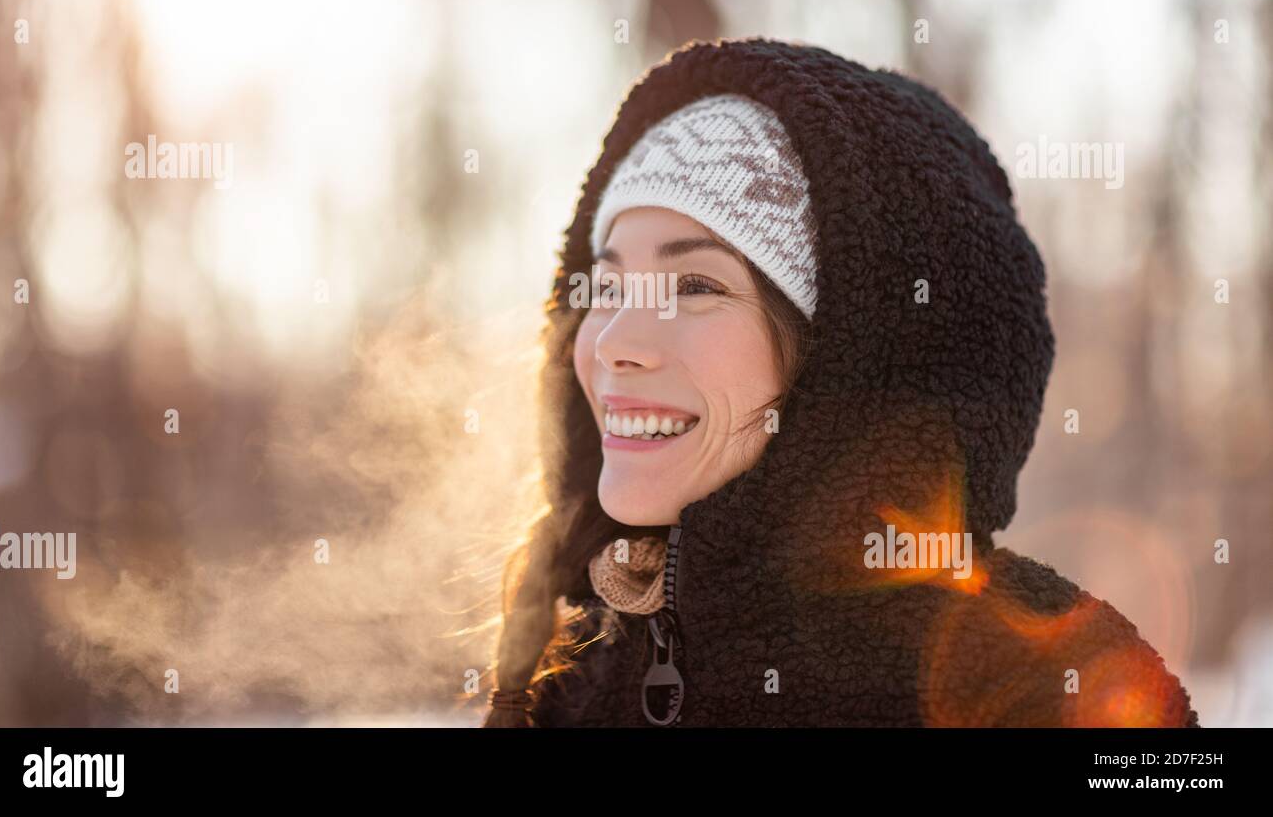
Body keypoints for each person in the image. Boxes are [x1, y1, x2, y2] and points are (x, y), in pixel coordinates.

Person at [483, 37, 1200, 727]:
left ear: (849, 351)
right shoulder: (568, 682)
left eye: (694, 285)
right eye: (607, 288)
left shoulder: (1035, 686)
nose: (613, 343)